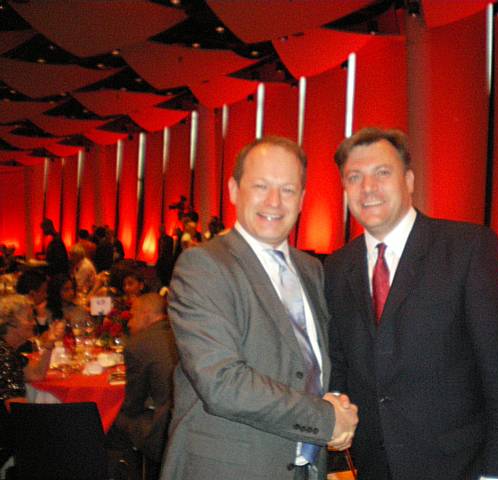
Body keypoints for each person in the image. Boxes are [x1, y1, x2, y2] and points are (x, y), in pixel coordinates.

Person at [324, 128, 498, 480]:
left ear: (410, 180)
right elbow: (340, 362)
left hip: (457, 463)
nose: (367, 188)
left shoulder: (468, 249)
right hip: (373, 464)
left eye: (382, 173)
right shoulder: (338, 266)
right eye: (354, 177)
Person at [161, 136, 358, 480]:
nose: (274, 201)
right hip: (229, 469)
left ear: (302, 200)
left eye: (287, 189)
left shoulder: (310, 269)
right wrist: (326, 420)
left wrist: (338, 404)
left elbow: (311, 364)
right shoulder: (204, 266)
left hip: (304, 467)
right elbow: (222, 383)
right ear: (234, 190)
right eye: (261, 186)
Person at [108, 293, 178, 480]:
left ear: (146, 315)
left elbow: (133, 404)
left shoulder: (138, 344)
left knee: (112, 420)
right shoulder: (179, 332)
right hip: (185, 418)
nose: (129, 323)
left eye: (132, 316)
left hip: (165, 428)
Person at [0, 294, 64, 408]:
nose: (34, 323)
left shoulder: (9, 352)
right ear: (11, 323)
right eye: (29, 318)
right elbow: (16, 408)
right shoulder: (5, 356)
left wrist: (49, 344)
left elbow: (37, 374)